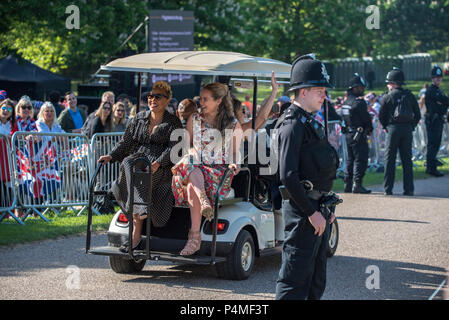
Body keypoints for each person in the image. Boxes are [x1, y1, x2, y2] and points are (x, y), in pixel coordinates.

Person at [275, 54, 338, 300]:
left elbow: (315, 169)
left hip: (316, 208)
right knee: (293, 280)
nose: (324, 96)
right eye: (319, 90)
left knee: (315, 278)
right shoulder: (292, 125)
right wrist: (311, 213)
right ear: (302, 92)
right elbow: (288, 175)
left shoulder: (308, 122)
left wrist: (324, 205)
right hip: (303, 212)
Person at [97, 81, 182, 253]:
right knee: (129, 163)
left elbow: (174, 148)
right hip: (137, 161)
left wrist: (158, 162)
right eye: (150, 96)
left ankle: (134, 237)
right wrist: (111, 156)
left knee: (138, 179)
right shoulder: (138, 118)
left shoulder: (173, 122)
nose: (152, 100)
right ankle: (141, 207)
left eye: (157, 97)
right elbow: (125, 143)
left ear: (167, 100)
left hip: (160, 166)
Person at [171, 82, 243, 256]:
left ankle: (194, 238)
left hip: (218, 174)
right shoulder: (194, 119)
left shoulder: (233, 124)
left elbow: (235, 152)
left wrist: (235, 164)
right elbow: (188, 145)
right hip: (195, 168)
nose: (200, 102)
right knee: (189, 161)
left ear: (218, 101)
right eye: (201, 98)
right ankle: (202, 200)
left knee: (191, 185)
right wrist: (193, 155)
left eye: (205, 99)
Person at [378, 68, 421, 196]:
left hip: (393, 128)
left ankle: (388, 189)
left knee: (389, 160)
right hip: (407, 129)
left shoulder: (388, 96)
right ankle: (409, 189)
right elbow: (417, 115)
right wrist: (411, 126)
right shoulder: (410, 95)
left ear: (392, 83)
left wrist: (387, 127)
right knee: (407, 161)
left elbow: (382, 116)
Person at [341, 73, 373, 193]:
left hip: (349, 134)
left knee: (350, 160)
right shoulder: (359, 103)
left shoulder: (346, 102)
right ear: (353, 88)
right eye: (360, 87)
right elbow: (366, 120)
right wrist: (369, 129)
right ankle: (357, 184)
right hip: (358, 134)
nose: (362, 89)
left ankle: (348, 184)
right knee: (361, 159)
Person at [424, 65, 449, 177]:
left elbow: (445, 102)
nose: (438, 79)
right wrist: (442, 104)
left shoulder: (439, 90)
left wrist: (442, 104)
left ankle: (432, 165)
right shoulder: (431, 91)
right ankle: (431, 167)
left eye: (439, 77)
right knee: (433, 144)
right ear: (432, 78)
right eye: (435, 77)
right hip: (433, 119)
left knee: (436, 144)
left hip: (438, 119)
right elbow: (443, 102)